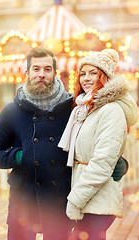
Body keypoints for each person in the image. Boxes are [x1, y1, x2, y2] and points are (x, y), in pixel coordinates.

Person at [0, 47, 129, 240]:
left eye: (47, 69)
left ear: (55, 72)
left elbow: (95, 139)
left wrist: (118, 162)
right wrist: (22, 156)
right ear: (27, 72)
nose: (41, 74)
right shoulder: (11, 111)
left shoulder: (74, 106)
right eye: (36, 69)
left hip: (60, 198)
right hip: (24, 199)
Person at [58, 49, 138, 240]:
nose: (86, 78)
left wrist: (75, 199)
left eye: (93, 73)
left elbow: (102, 163)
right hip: (87, 195)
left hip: (97, 198)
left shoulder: (111, 110)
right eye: (83, 74)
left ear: (105, 77)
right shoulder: (86, 109)